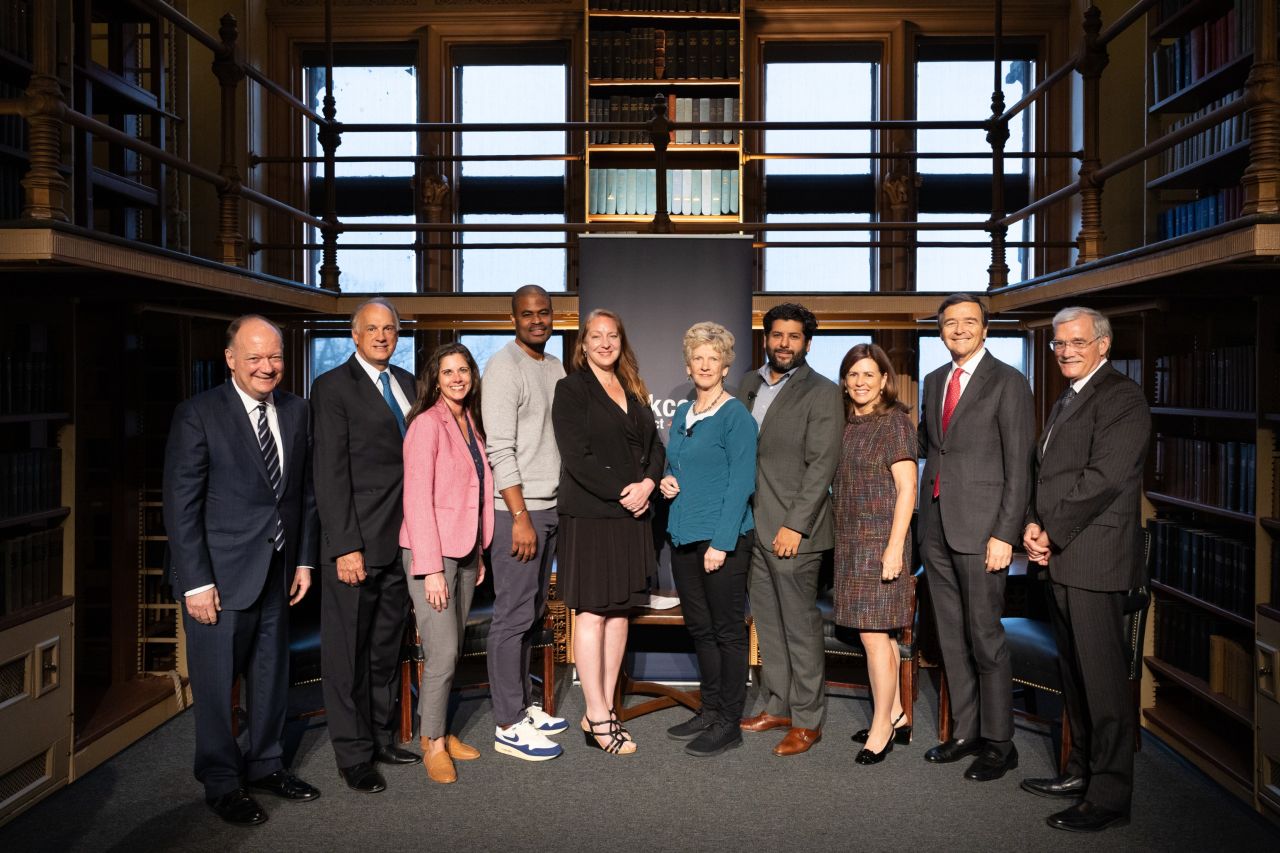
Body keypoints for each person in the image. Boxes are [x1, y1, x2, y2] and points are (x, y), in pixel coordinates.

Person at [162, 315, 320, 826]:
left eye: (274, 357)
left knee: (272, 677)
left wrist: (301, 559)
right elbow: (180, 506)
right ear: (231, 359)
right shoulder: (198, 414)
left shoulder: (297, 411)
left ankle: (267, 763)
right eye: (255, 358)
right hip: (218, 581)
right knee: (214, 684)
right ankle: (222, 781)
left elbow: (303, 496)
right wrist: (196, 582)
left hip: (277, 571)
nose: (267, 367)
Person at [1022, 306, 1151, 833]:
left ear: (1103, 344)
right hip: (1061, 559)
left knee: (1103, 685)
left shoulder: (1122, 397)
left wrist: (1050, 531)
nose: (1065, 351)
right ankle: (1080, 772)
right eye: (1057, 344)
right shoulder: (1068, 396)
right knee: (1074, 678)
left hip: (1095, 560)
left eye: (1076, 342)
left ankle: (1111, 796)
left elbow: (1102, 479)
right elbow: (1047, 473)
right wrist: (1032, 523)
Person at [917, 293, 1035, 781]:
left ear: (986, 329)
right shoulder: (933, 380)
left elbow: (1020, 468)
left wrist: (1005, 533)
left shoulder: (1009, 382)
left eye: (969, 322)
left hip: (984, 531)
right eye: (950, 323)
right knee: (950, 636)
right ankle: (965, 733)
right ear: (940, 330)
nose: (959, 329)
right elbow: (933, 450)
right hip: (937, 527)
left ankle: (999, 742)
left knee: (985, 637)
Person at [312, 297, 421, 794]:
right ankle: (353, 755)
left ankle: (380, 737)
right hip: (356, 544)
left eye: (390, 329)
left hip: (402, 540)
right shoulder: (332, 388)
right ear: (354, 336)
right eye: (372, 329)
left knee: (382, 649)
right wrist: (344, 546)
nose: (381, 336)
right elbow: (330, 475)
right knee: (347, 653)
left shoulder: (406, 382)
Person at [553, 308, 665, 755]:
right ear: (583, 345)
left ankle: (605, 707)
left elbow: (655, 445)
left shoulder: (634, 388)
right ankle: (597, 711)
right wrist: (626, 491)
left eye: (612, 336)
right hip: (591, 516)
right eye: (595, 336)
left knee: (620, 613)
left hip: (632, 517)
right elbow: (576, 458)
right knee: (593, 613)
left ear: (621, 341)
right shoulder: (571, 389)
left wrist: (650, 484)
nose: (604, 343)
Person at [736, 302, 843, 756]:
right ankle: (777, 704)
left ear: (807, 343)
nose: (784, 343)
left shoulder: (822, 392)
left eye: (793, 337)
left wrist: (794, 526)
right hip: (752, 527)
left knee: (800, 628)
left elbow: (822, 466)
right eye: (777, 335)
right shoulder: (746, 383)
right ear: (767, 338)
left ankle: (807, 719)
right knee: (769, 624)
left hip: (794, 532)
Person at [659, 322, 757, 758]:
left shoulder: (736, 415)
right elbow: (674, 463)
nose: (703, 364)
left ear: (724, 365)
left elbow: (741, 483)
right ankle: (711, 707)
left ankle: (728, 722)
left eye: (712, 358)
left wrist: (720, 544)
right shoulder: (683, 413)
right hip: (683, 535)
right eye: (697, 357)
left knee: (727, 633)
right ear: (688, 363)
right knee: (700, 629)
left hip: (722, 540)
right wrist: (666, 481)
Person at [481, 284, 569, 761]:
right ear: (513, 318)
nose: (537, 320)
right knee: (511, 616)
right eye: (527, 314)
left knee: (532, 613)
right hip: (519, 510)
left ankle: (525, 705)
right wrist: (518, 516)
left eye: (544, 312)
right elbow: (500, 448)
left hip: (550, 507)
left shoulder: (553, 366)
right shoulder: (502, 367)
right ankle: (508, 724)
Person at [399, 343, 492, 784]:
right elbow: (416, 500)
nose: (457, 378)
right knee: (443, 653)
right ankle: (432, 742)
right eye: (448, 371)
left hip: (466, 550)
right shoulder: (426, 424)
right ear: (435, 379)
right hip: (432, 555)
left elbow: (472, 493)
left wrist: (480, 551)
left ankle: (441, 729)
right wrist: (431, 568)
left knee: (452, 650)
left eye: (463, 370)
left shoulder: (469, 421)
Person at [831, 343, 917, 766]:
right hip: (850, 543)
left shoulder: (895, 423)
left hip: (882, 543)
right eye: (853, 375)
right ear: (845, 382)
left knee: (874, 636)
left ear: (885, 379)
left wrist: (895, 548)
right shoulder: (846, 424)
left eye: (869, 374)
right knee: (875, 637)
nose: (861, 382)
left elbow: (908, 489)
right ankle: (896, 712)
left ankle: (882, 726)